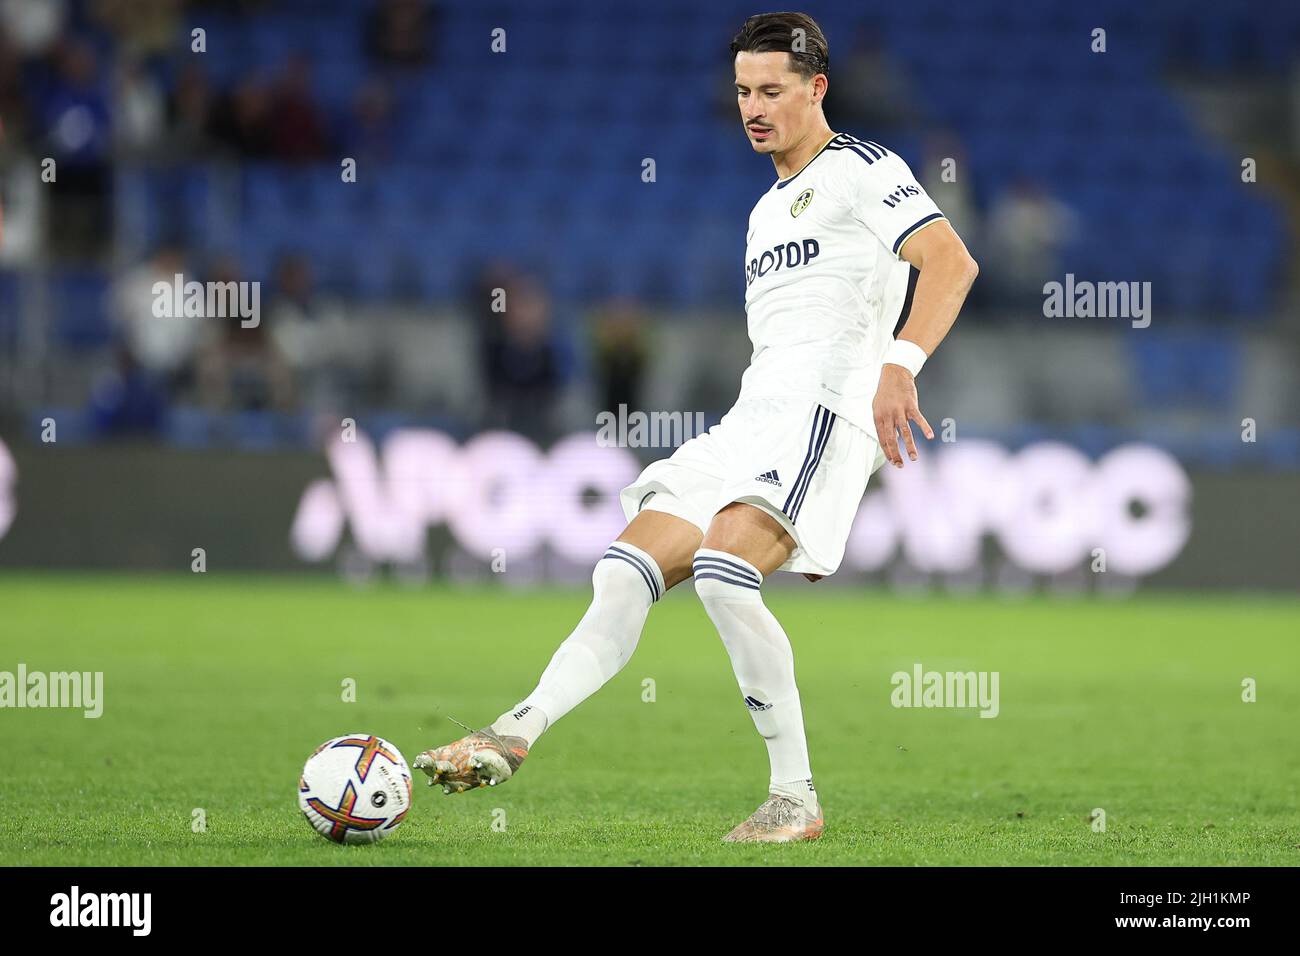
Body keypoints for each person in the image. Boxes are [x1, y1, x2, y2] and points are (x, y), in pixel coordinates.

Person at [414, 12, 978, 843]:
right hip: (753, 420)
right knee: (623, 568)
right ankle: (513, 733)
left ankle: (796, 799)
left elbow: (952, 261)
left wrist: (901, 365)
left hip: (827, 412)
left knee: (721, 570)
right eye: (744, 90)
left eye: (772, 91)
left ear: (816, 89)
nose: (754, 107)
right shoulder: (764, 213)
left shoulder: (862, 168)